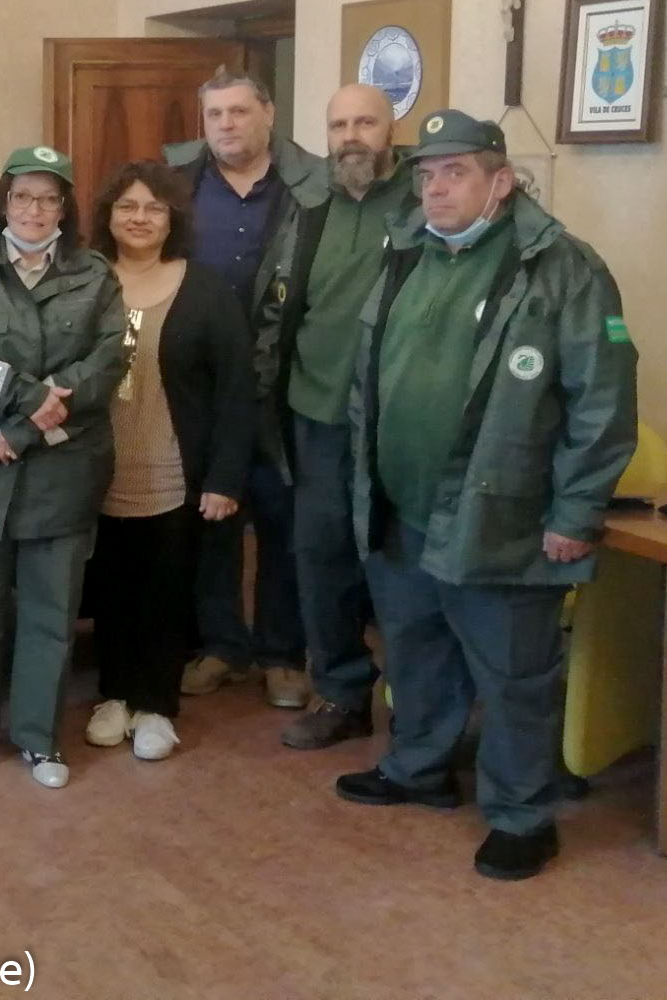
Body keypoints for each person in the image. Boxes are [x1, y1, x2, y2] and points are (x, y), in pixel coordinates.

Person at [337, 109, 636, 881]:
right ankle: (417, 767)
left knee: (513, 675)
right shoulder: (405, 252)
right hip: (400, 506)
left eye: (456, 173)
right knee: (417, 650)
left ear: (500, 182)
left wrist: (576, 512)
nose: (436, 190)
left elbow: (601, 400)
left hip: (499, 514)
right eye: (427, 175)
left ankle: (521, 814)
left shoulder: (562, 266)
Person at [0, 146, 127, 786]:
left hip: (59, 474)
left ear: (65, 206)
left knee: (49, 614)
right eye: (23, 196)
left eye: (49, 197)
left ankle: (39, 739)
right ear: (2, 203)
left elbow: (109, 360)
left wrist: (26, 429)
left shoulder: (95, 276)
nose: (35, 209)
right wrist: (25, 397)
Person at [256, 84, 416, 749]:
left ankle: (416, 709)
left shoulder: (421, 202)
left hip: (398, 424)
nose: (352, 136)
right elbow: (276, 302)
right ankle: (343, 693)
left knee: (401, 569)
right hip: (315, 414)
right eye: (339, 124)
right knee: (320, 559)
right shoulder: (307, 203)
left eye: (366, 123)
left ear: (391, 128)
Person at [83, 162, 254, 761]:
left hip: (175, 472)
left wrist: (226, 477)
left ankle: (156, 706)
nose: (139, 218)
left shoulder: (205, 290)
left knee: (165, 590)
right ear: (108, 215)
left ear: (173, 218)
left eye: (153, 207)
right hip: (96, 471)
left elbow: (237, 389)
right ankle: (114, 696)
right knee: (109, 588)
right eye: (127, 206)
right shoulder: (82, 280)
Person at [164, 69, 314, 708]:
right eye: (215, 114)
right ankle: (222, 646)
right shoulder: (179, 186)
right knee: (211, 521)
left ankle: (282, 655)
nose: (227, 124)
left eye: (239, 111)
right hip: (202, 386)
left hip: (285, 384)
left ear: (268, 114)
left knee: (283, 525)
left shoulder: (310, 189)